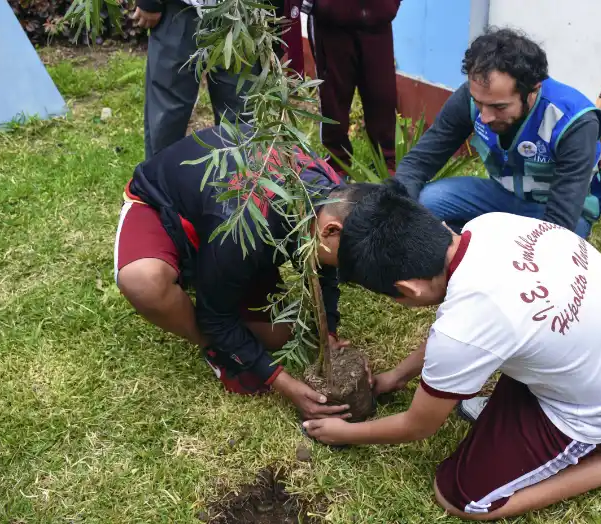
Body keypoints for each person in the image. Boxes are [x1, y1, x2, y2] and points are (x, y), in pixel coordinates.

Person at [302, 185, 601, 519]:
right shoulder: (487, 225)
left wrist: (347, 432)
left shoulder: (466, 329)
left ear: (410, 289)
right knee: (501, 340)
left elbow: (419, 425)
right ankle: (511, 414)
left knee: (461, 498)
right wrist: (395, 377)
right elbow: (462, 330)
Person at [113, 125, 376, 420]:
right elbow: (216, 317)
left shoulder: (338, 196)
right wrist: (282, 382)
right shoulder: (243, 225)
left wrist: (328, 330)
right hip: (167, 213)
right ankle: (215, 351)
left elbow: (323, 272)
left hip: (230, 236)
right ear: (329, 230)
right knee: (145, 282)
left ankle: (213, 273)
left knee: (278, 336)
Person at [394, 28, 601, 238]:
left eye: (499, 107)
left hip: (559, 212)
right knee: (427, 200)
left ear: (533, 90)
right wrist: (391, 204)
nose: (485, 116)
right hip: (501, 197)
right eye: (479, 103)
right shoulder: (470, 98)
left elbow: (560, 220)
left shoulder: (574, 122)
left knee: (556, 245)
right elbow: (420, 161)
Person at [132, 0, 305, 160]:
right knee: (165, 120)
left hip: (243, 14)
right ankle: (157, 187)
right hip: (180, 9)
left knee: (242, 120)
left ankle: (239, 187)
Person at [307, 0, 401, 174]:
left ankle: (387, 165)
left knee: (382, 97)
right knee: (333, 98)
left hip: (378, 18)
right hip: (331, 22)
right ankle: (337, 166)